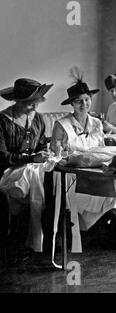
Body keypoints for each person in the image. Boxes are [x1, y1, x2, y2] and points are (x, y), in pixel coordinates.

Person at [50, 74, 116, 253]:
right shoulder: (61, 125)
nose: (84, 104)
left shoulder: (96, 123)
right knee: (111, 192)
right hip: (72, 175)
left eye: (87, 100)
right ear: (72, 104)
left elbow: (102, 150)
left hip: (97, 171)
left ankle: (112, 223)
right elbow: (55, 157)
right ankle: (107, 226)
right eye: (79, 101)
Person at [0, 78, 53, 260]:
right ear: (18, 101)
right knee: (26, 189)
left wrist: (43, 153)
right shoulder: (3, 120)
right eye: (31, 104)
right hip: (6, 170)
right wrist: (31, 158)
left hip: (31, 170)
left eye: (36, 104)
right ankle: (17, 244)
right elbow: (2, 157)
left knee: (53, 183)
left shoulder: (38, 119)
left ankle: (48, 240)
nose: (35, 108)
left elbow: (41, 145)